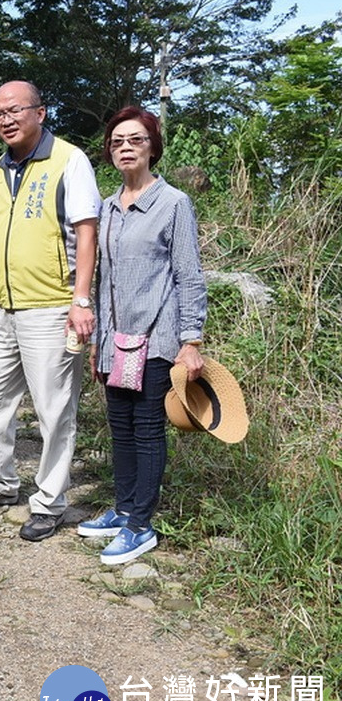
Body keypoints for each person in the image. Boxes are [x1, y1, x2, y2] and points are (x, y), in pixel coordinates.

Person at [0, 80, 101, 542]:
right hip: (5, 308)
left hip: (52, 304)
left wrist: (82, 300)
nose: (6, 120)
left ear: (41, 112)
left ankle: (50, 501)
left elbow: (86, 233)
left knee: (54, 410)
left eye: (15, 110)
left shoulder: (69, 160)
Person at [78, 106, 207, 564]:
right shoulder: (109, 207)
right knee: (121, 429)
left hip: (158, 338)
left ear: (152, 146)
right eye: (117, 142)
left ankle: (140, 525)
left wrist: (191, 340)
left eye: (135, 140)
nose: (125, 148)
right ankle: (123, 507)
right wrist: (99, 341)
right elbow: (103, 281)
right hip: (117, 341)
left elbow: (189, 276)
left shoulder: (173, 203)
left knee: (148, 430)